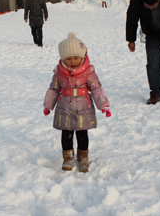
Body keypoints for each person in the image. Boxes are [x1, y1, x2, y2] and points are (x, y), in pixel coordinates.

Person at [43, 33, 111, 173]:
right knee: (66, 134)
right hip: (64, 107)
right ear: (62, 58)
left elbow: (96, 88)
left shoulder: (88, 72)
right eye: (68, 58)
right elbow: (54, 89)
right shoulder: (59, 73)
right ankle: (68, 158)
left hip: (83, 108)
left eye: (76, 58)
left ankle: (82, 158)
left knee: (82, 134)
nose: (72, 61)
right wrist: (48, 105)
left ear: (83, 56)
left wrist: (103, 105)